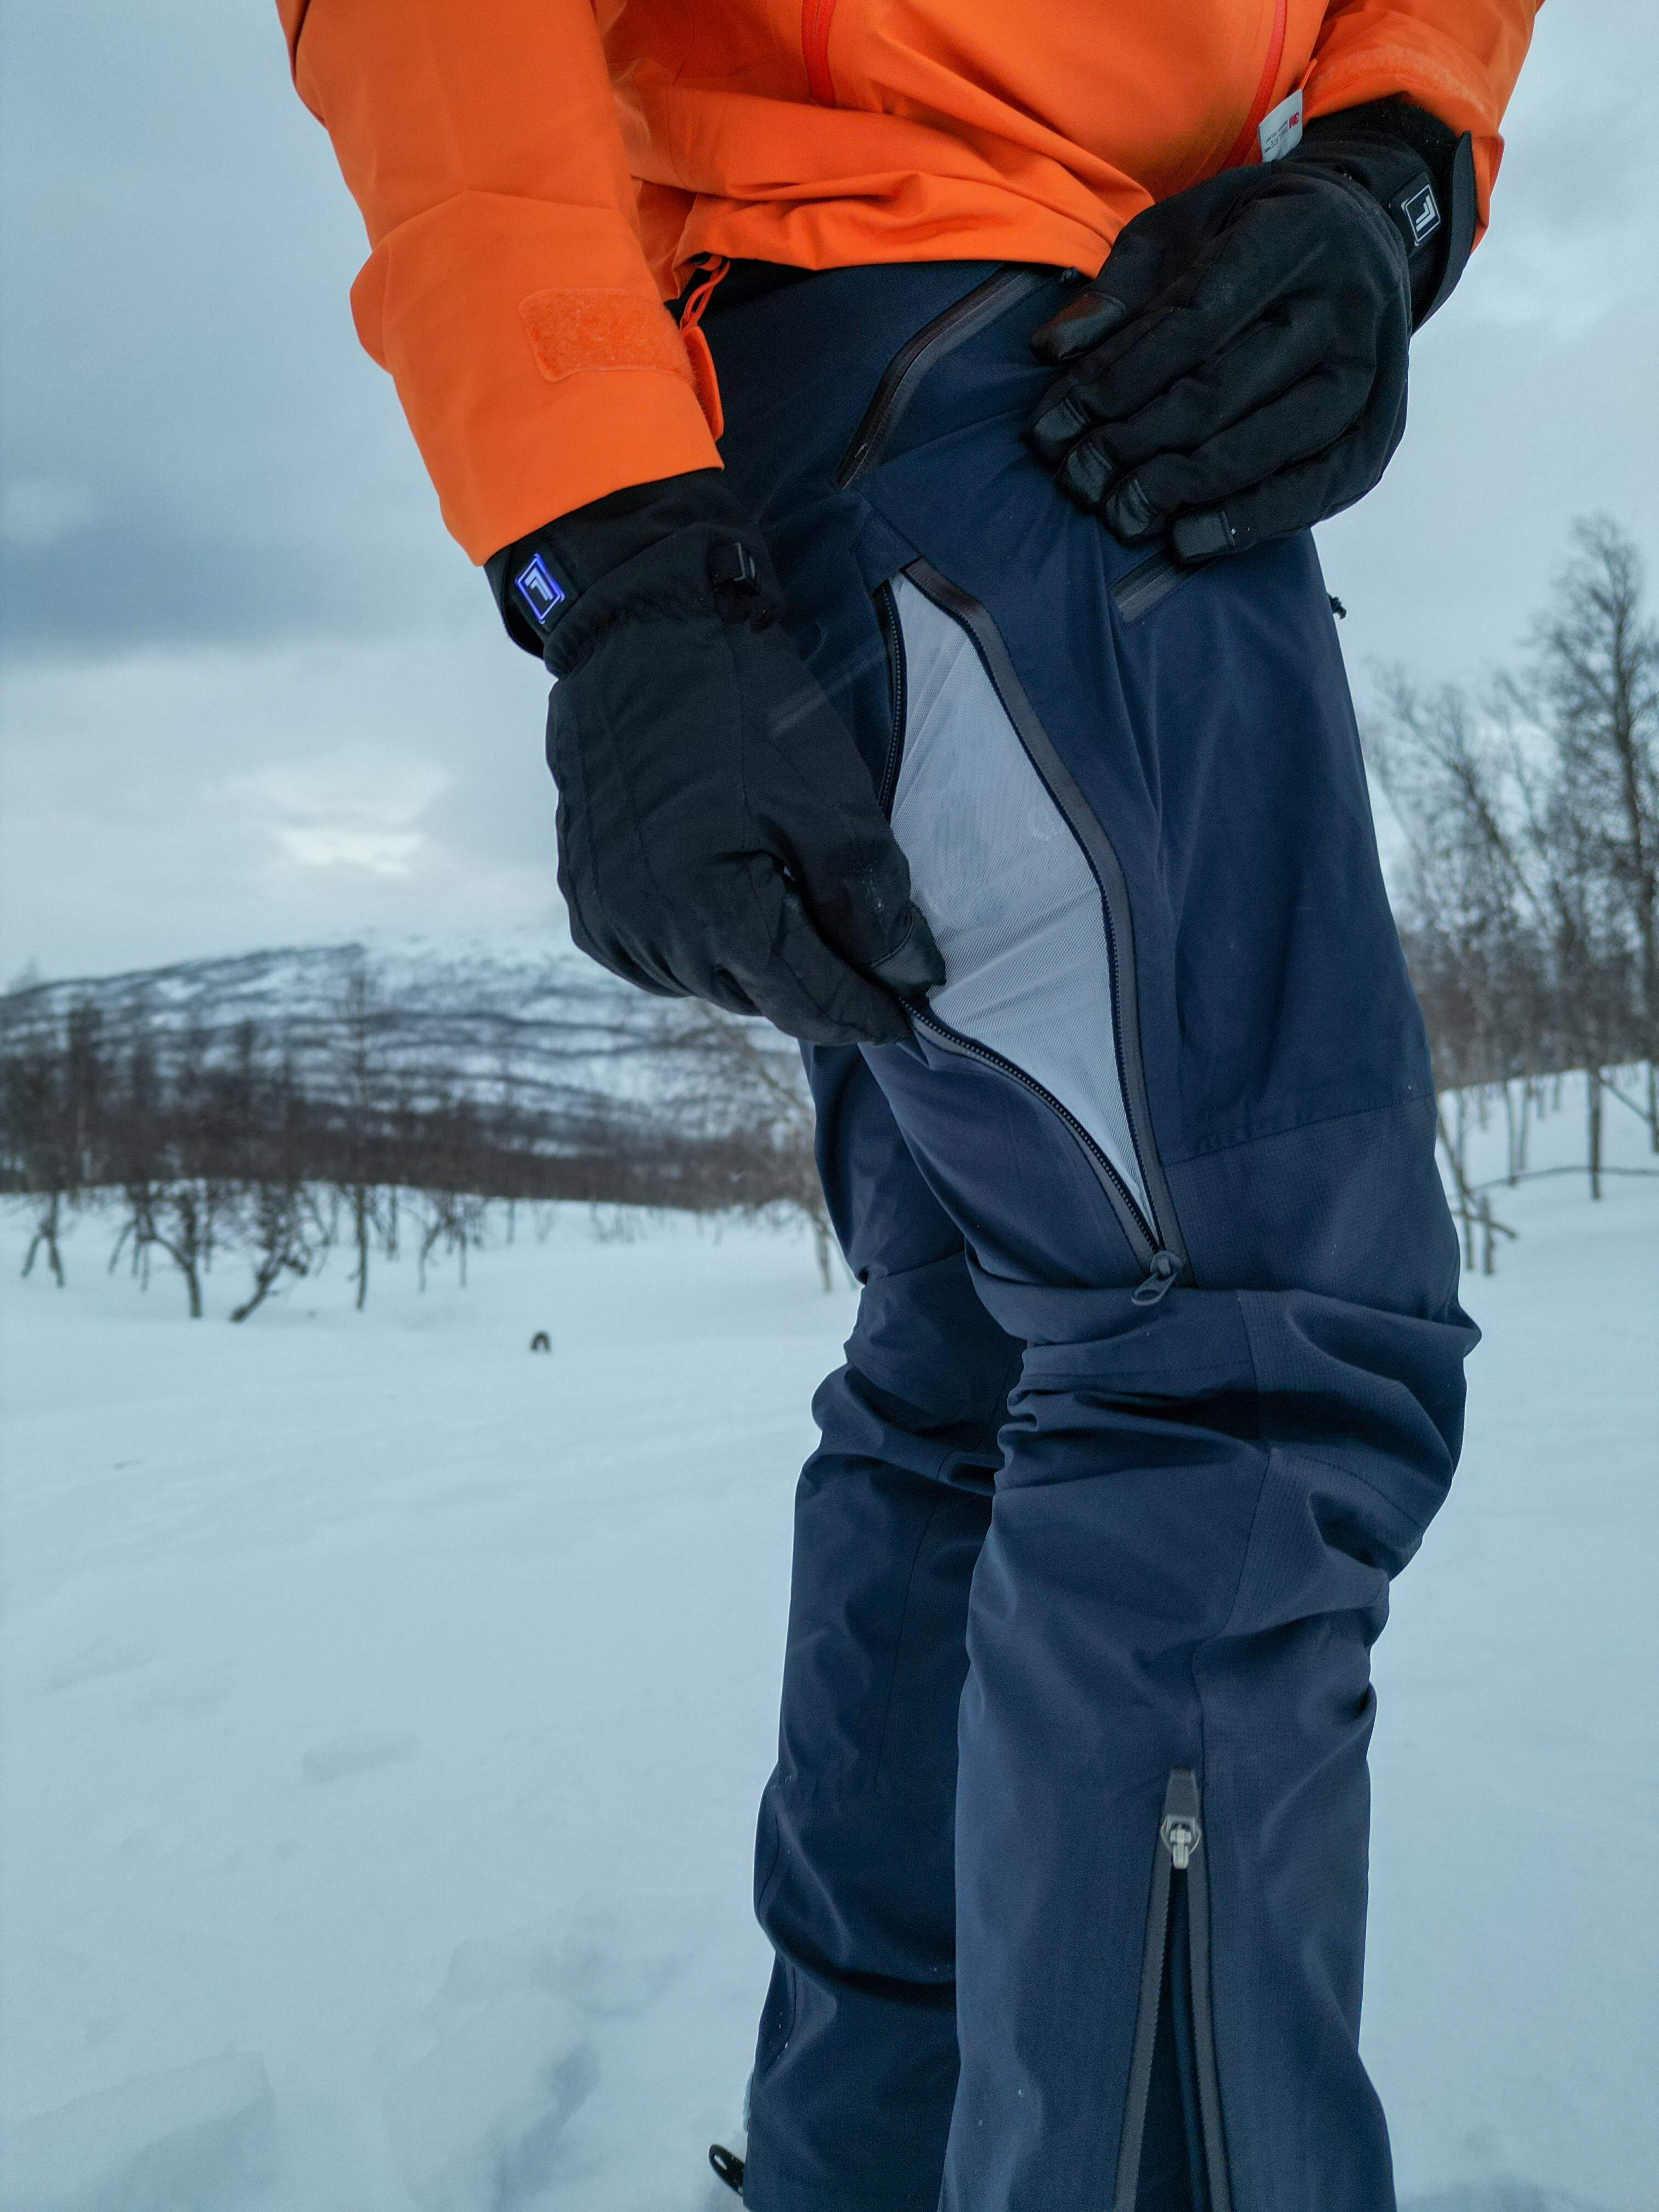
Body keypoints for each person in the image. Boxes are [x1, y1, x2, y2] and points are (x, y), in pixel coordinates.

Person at [275, 4, 1537, 2205]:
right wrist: (604, 547)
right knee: (1234, 1395)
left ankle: (872, 2161)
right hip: (961, 417)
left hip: (1132, 371)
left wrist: (1393, 161)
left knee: (989, 1385)